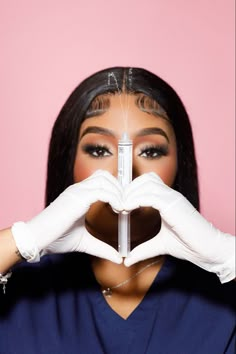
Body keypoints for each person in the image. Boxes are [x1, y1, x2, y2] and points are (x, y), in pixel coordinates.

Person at [0, 67, 235, 354]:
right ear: (68, 162)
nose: (125, 173)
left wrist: (228, 254)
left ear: (179, 165)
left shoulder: (222, 295)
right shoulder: (22, 289)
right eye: (99, 150)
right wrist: (24, 239)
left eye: (150, 151)